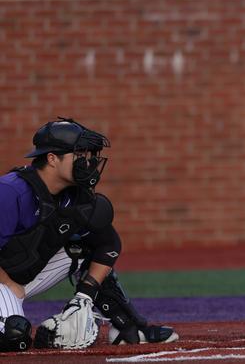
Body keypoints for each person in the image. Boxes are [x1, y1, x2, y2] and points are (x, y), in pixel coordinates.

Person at [0, 118, 178, 351]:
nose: (89, 161)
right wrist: (8, 284)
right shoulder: (10, 191)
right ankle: (45, 337)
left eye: (90, 155)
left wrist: (85, 295)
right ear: (52, 158)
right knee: (15, 336)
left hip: (20, 275)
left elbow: (108, 244)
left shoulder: (77, 194)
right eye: (80, 155)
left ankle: (127, 328)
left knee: (84, 248)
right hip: (5, 279)